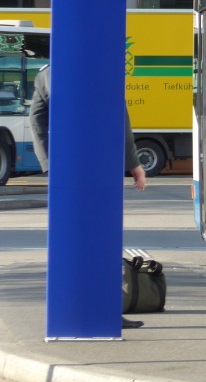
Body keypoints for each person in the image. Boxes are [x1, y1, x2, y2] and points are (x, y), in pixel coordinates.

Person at [29, 65, 148, 328]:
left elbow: (37, 120)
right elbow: (120, 116)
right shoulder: (98, 68)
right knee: (97, 240)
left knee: (85, 241)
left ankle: (88, 310)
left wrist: (49, 163)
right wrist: (133, 163)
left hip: (77, 170)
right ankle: (98, 310)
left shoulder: (48, 74)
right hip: (95, 170)